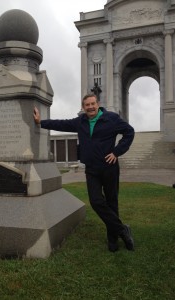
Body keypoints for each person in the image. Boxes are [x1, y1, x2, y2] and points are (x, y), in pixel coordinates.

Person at [33, 93, 135, 252]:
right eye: (87, 105)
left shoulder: (111, 118)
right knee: (95, 201)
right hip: (92, 169)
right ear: (83, 107)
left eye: (93, 104)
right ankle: (122, 230)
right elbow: (61, 124)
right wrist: (41, 122)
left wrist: (116, 152)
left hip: (109, 167)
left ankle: (112, 238)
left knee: (111, 202)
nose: (90, 107)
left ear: (98, 104)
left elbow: (129, 132)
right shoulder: (80, 121)